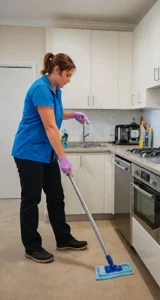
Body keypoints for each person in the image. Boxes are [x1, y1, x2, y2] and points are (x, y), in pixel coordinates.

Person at [12, 52, 89, 264]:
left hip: (46, 152)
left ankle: (63, 238)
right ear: (56, 70)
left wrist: (72, 114)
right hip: (29, 152)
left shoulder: (55, 89)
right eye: (67, 75)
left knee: (56, 196)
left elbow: (55, 113)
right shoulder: (40, 88)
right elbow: (50, 127)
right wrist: (63, 158)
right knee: (32, 199)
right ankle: (32, 246)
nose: (69, 80)